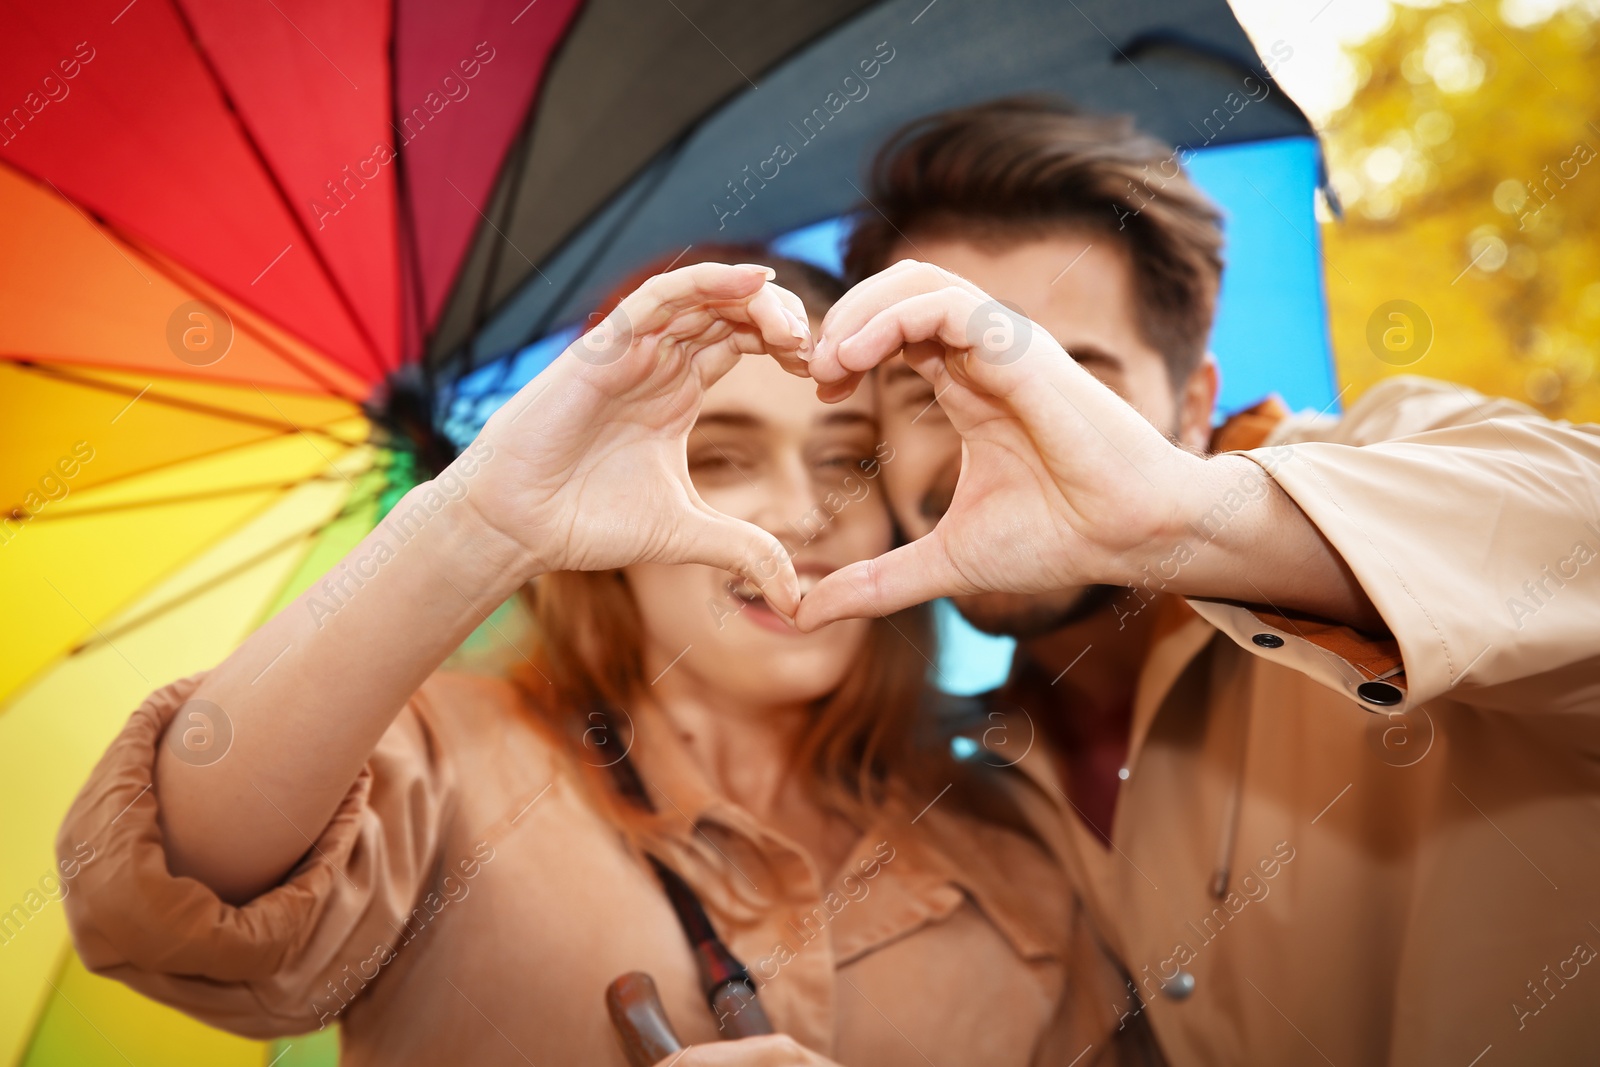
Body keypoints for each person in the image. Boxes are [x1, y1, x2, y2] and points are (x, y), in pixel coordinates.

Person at [55, 252, 1077, 1066]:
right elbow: (166, 889)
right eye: (718, 455)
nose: (805, 514)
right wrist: (477, 526)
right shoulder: (439, 757)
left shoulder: (1019, 852)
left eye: (848, 460)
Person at [794, 97, 1600, 1064]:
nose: (991, 442)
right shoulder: (959, 771)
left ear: (1191, 402)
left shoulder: (1368, 463)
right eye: (928, 389)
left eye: (1071, 382)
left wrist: (1181, 515)